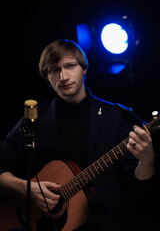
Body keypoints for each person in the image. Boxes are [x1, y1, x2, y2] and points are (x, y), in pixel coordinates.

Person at [0, 39, 159, 231]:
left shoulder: (116, 117)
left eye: (70, 66)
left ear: (84, 69)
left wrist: (147, 160)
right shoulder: (34, 119)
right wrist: (27, 189)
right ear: (47, 77)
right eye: (54, 70)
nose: (63, 76)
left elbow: (139, 188)